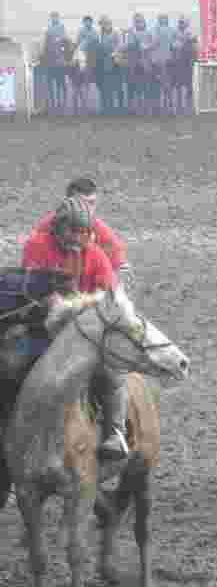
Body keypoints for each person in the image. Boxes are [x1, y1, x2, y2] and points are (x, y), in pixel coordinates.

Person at [22, 196, 129, 461]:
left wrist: (83, 308)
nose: (78, 236)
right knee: (13, 363)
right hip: (43, 324)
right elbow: (31, 286)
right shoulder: (37, 246)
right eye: (73, 229)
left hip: (86, 328)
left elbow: (107, 294)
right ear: (58, 227)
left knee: (113, 370)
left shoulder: (95, 255)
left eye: (84, 231)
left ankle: (116, 432)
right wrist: (53, 303)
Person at [33, 177, 131, 291]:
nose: (88, 209)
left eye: (92, 203)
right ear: (68, 202)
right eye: (82, 203)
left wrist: (111, 293)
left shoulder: (101, 231)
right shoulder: (43, 232)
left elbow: (121, 269)